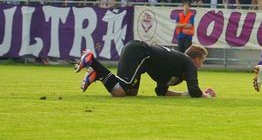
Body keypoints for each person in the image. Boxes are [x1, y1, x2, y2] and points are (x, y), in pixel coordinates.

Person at [74, 41, 215, 98]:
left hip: (137, 52)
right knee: (120, 92)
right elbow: (195, 91)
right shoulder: (189, 63)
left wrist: (183, 94)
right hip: (138, 52)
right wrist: (207, 96)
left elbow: (161, 92)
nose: (201, 65)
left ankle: (97, 74)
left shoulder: (178, 64)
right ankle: (92, 60)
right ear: (197, 59)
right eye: (202, 61)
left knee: (131, 93)